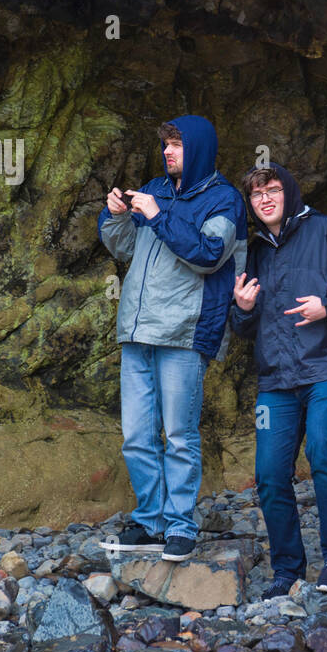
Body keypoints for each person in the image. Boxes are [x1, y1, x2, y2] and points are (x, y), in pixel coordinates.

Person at [96, 116, 246, 562]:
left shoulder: (225, 200)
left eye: (177, 145)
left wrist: (160, 216)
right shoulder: (155, 188)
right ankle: (150, 522)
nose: (168, 152)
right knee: (137, 435)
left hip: (184, 331)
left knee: (179, 434)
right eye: (164, 145)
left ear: (198, 147)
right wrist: (115, 215)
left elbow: (209, 255)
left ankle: (181, 527)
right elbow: (126, 249)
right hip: (138, 330)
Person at [230, 162, 327, 597]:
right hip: (276, 379)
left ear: (288, 193)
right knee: (270, 474)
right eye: (257, 195)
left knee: (321, 447)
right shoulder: (254, 251)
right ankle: (287, 570)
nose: (265, 199)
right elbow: (242, 330)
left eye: (272, 190)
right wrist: (241, 308)